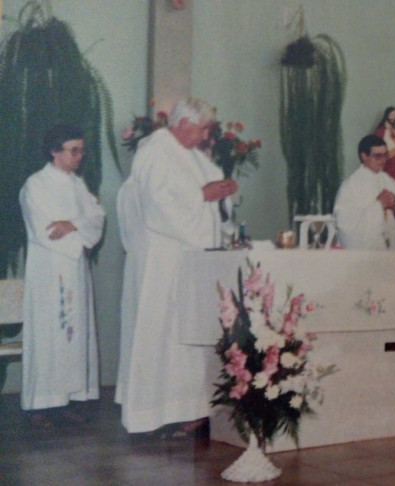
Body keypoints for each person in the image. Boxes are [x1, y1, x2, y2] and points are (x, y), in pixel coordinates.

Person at [116, 98, 238, 436]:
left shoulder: (194, 156)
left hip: (191, 260)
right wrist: (204, 196)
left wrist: (224, 192)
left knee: (189, 336)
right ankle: (155, 412)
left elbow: (213, 192)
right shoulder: (155, 151)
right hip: (163, 260)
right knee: (161, 334)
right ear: (183, 123)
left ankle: (193, 408)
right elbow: (158, 205)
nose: (204, 136)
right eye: (201, 129)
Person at [18, 125, 105, 427]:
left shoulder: (77, 184)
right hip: (49, 267)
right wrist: (73, 231)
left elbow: (97, 217)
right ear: (54, 151)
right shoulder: (36, 185)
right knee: (49, 333)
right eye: (73, 150)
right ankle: (42, 404)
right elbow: (46, 229)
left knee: (74, 333)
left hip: (75, 268)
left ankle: (66, 399)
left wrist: (72, 223)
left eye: (81, 149)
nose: (80, 156)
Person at [334, 134, 395, 250]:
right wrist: (379, 205)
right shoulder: (351, 186)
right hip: (367, 255)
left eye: (385, 155)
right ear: (364, 156)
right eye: (377, 156)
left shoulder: (389, 182)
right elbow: (345, 224)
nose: (383, 160)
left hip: (392, 249)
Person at [374, 106, 395, 189]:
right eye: (391, 114)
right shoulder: (380, 130)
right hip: (388, 160)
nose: (393, 117)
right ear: (387, 115)